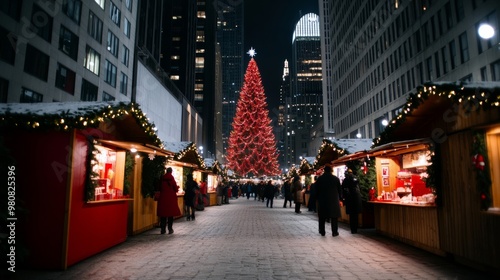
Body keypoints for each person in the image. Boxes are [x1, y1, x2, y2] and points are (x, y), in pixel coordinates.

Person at [315, 165, 342, 236]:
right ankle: (334, 232)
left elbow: (316, 190)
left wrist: (317, 198)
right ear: (331, 170)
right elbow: (340, 190)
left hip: (323, 200)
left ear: (324, 170)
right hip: (333, 200)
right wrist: (341, 199)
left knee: (322, 217)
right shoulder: (335, 179)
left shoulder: (320, 179)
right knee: (334, 217)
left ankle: (322, 231)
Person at [157, 167, 181, 234]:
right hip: (171, 199)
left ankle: (163, 229)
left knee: (163, 215)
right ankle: (170, 229)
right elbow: (176, 189)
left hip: (163, 199)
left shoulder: (162, 179)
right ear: (171, 172)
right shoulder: (172, 179)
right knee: (170, 215)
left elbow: (159, 188)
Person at [342, 169, 363, 234]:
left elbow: (344, 189)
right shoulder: (356, 178)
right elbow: (359, 188)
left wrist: (344, 198)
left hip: (350, 199)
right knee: (356, 215)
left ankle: (352, 229)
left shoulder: (346, 180)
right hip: (356, 199)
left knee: (351, 215)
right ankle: (355, 229)